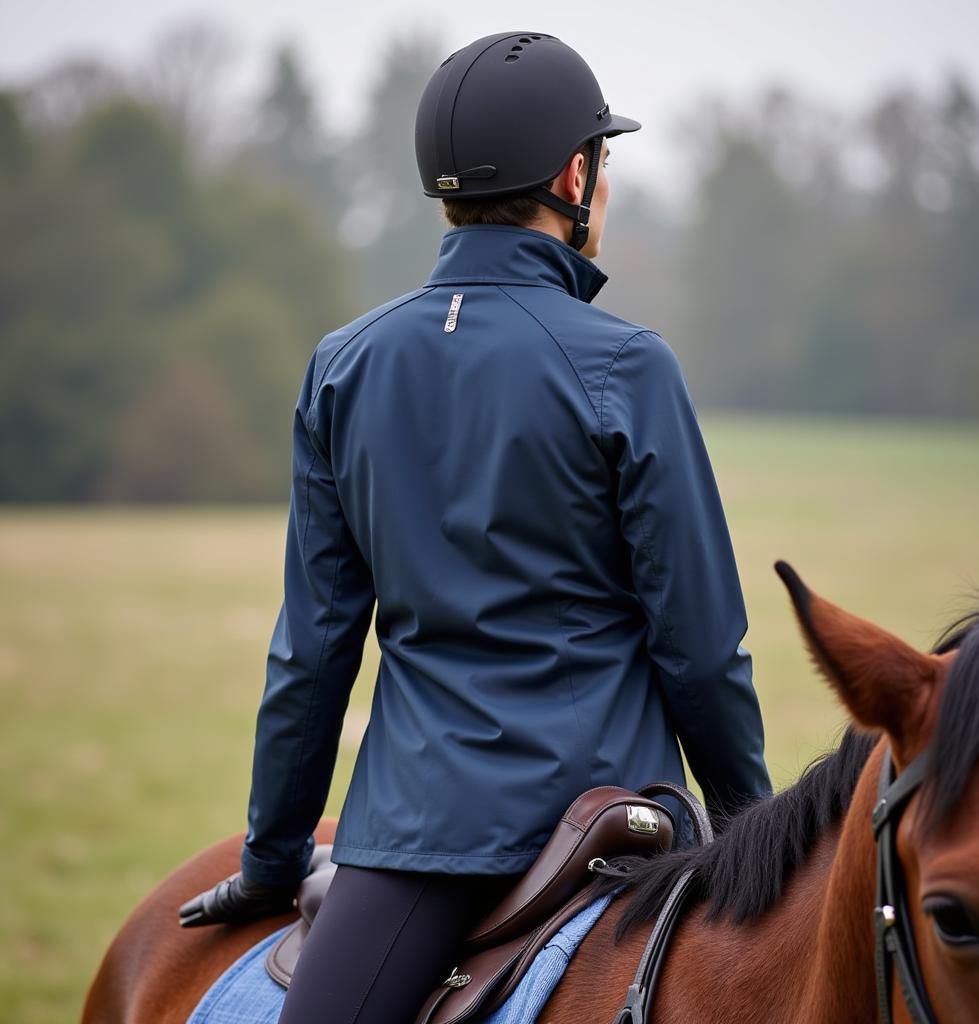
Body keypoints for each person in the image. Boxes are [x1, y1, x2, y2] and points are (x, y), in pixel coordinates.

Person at [178, 30, 771, 1023]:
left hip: (415, 845)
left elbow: (314, 654)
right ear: (576, 176)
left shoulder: (344, 365)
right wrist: (752, 841)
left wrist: (273, 857)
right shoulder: (628, 367)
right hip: (613, 825)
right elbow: (702, 649)